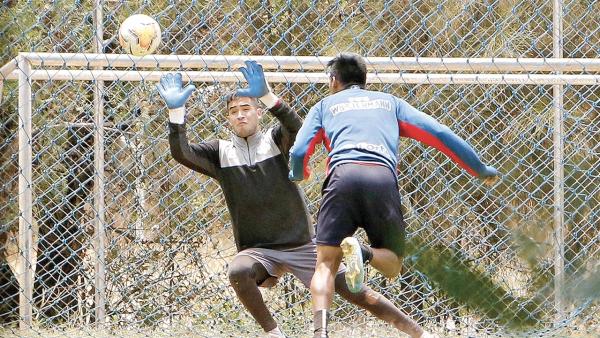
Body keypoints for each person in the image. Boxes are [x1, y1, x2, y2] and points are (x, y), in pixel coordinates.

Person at [157, 61, 433, 338]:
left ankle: (419, 333)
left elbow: (296, 126)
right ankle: (274, 333)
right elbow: (182, 153)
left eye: (246, 109)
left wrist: (268, 96)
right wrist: (176, 112)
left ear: (257, 113)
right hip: (259, 251)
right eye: (233, 112)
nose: (240, 116)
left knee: (355, 291)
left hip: (303, 244)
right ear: (228, 119)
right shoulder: (220, 152)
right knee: (238, 271)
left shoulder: (275, 141)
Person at [289, 53, 499, 338]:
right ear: (365, 80)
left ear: (333, 80)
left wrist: (299, 173)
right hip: (381, 178)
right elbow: (439, 132)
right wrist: (479, 168)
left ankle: (320, 334)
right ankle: (364, 252)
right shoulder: (389, 103)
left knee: (325, 263)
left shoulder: (325, 105)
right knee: (392, 265)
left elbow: (300, 151)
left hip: (342, 176)